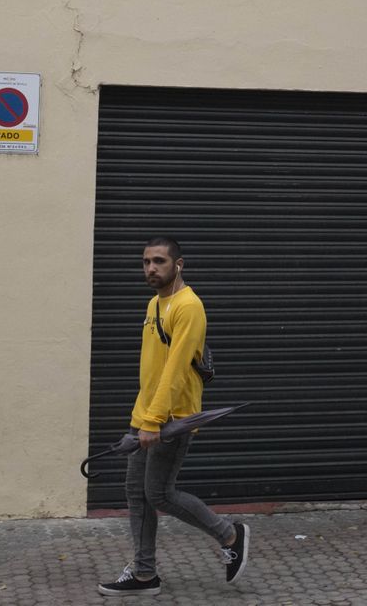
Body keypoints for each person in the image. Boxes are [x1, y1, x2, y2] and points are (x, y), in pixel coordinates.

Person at [99, 236, 250, 596]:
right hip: (147, 414)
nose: (151, 268)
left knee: (159, 493)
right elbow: (152, 368)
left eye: (159, 261)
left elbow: (177, 370)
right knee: (137, 493)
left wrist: (153, 423)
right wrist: (141, 416)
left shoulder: (188, 306)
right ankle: (144, 574)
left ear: (178, 264)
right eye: (147, 262)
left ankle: (229, 533)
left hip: (172, 418)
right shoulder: (155, 303)